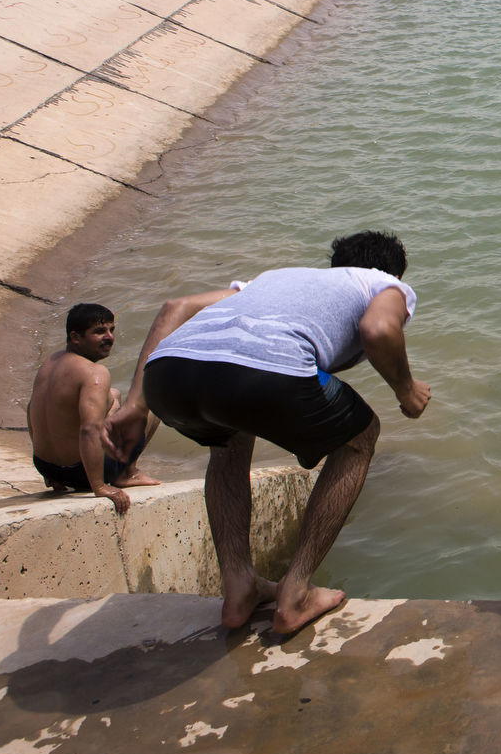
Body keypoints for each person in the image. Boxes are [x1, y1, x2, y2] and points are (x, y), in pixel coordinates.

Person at [108, 231, 431, 635]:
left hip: (169, 372)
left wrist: (136, 405)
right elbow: (379, 329)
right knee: (360, 437)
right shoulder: (383, 283)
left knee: (227, 440)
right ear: (392, 271)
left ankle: (239, 586)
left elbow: (176, 308)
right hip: (262, 372)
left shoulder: (275, 278)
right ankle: (295, 593)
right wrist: (407, 390)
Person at [25, 303, 157, 512]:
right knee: (149, 402)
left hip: (47, 466)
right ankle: (127, 473)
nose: (109, 337)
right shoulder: (94, 372)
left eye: (111, 330)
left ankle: (54, 474)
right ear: (76, 337)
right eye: (99, 332)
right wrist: (99, 486)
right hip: (80, 474)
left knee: (113, 395)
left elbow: (31, 410)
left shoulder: (50, 362)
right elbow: (89, 429)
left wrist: (48, 472)